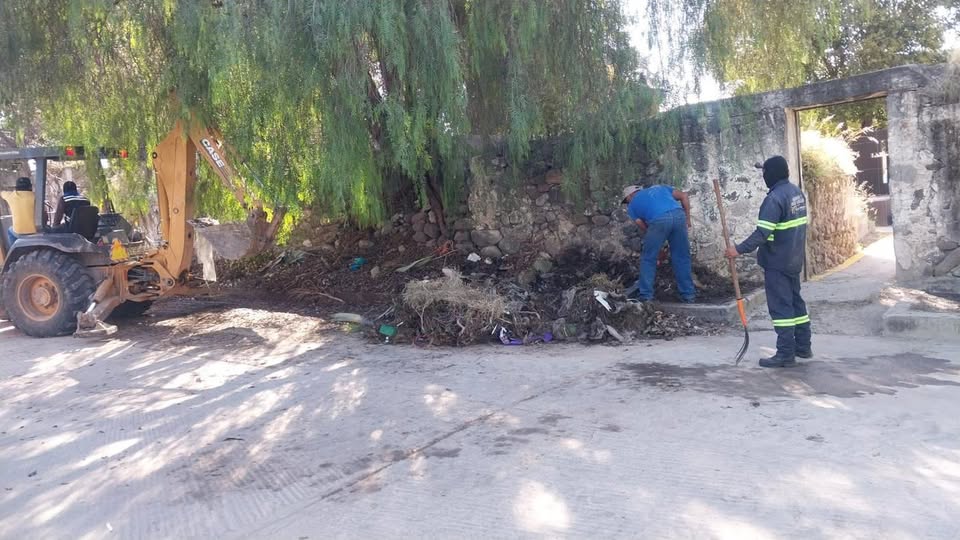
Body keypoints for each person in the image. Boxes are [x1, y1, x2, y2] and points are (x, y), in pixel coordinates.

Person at [725, 155, 811, 368]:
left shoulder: (774, 199)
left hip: (777, 262)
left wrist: (737, 250)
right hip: (793, 259)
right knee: (796, 304)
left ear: (771, 174)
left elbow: (762, 233)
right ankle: (803, 346)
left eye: (764, 172)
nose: (763, 175)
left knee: (781, 309)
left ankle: (785, 354)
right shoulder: (795, 193)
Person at [622, 183, 696, 303]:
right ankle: (688, 296)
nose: (628, 203)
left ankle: (646, 296)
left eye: (627, 200)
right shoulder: (660, 188)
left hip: (658, 220)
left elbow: (642, 225)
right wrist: (687, 219)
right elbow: (684, 196)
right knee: (681, 256)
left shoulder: (632, 207)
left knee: (648, 258)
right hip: (678, 215)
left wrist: (657, 244)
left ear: (630, 195)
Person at [1, 177, 37, 247]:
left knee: (10, 230)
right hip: (35, 231)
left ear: (16, 187)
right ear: (30, 186)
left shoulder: (10, 196)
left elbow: (2, 193)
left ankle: (14, 249)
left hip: (18, 232)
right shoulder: (34, 196)